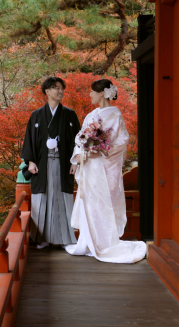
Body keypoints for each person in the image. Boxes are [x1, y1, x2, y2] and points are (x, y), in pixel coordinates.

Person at [65, 79, 147, 263]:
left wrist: (101, 149)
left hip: (104, 166)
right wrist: (78, 157)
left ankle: (104, 244)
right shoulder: (91, 115)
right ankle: (87, 242)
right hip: (89, 166)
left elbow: (121, 140)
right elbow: (80, 138)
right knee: (89, 203)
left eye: (92, 92)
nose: (90, 95)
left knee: (103, 203)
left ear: (102, 93)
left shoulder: (115, 114)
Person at [20, 76, 81, 248]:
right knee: (42, 199)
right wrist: (30, 161)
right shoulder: (36, 115)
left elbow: (79, 141)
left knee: (63, 198)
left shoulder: (69, 115)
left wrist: (75, 162)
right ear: (47, 91)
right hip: (42, 164)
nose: (60, 91)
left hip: (63, 163)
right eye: (56, 88)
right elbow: (29, 140)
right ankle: (42, 238)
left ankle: (64, 239)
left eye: (62, 88)